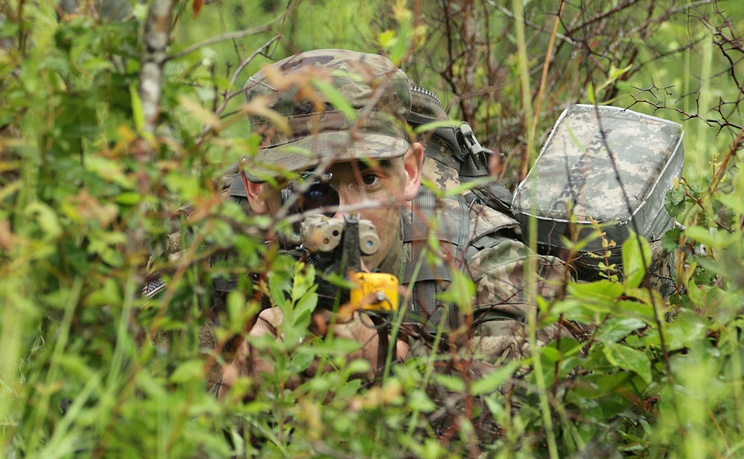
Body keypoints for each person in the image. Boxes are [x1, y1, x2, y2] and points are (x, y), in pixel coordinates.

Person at [216, 49, 564, 395]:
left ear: (410, 172)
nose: (342, 215)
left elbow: (531, 415)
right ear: (255, 189)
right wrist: (231, 397)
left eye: (369, 181)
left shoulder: (487, 267)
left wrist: (390, 369)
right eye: (308, 190)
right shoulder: (210, 259)